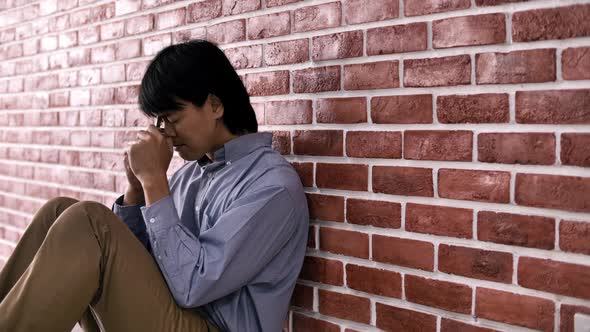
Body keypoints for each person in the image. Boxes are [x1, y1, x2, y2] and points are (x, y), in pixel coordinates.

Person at [0, 39, 309, 332]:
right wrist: (136, 190)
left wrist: (154, 181)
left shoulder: (271, 187)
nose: (166, 133)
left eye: (172, 118)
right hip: (171, 315)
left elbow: (191, 286)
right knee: (60, 211)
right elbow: (148, 264)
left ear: (215, 105)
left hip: (210, 325)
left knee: (89, 221)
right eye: (160, 121)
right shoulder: (190, 176)